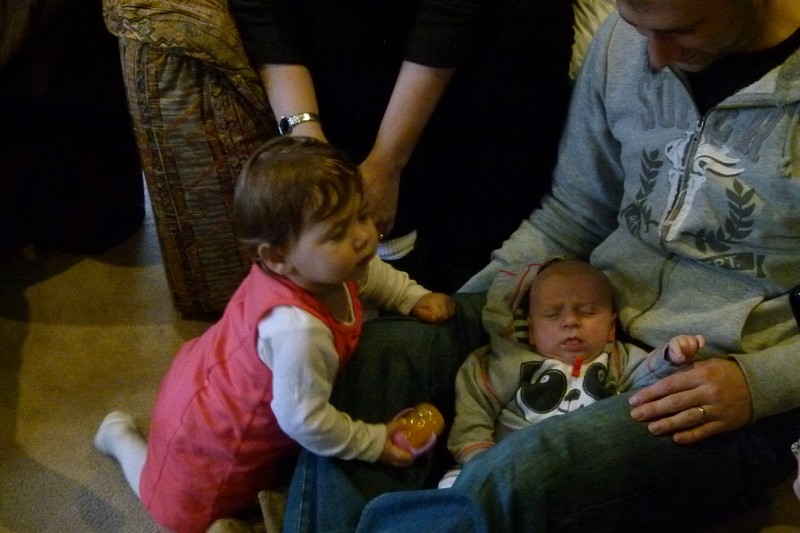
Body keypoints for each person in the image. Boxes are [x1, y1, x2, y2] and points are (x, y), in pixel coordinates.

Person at [280, 0, 800, 531]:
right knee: (380, 354)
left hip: (720, 379)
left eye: (681, 30)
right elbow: (575, 213)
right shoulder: (626, 43)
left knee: (517, 474)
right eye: (636, 27)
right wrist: (474, 307)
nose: (654, 58)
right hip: (588, 312)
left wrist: (760, 383)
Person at [92, 136, 458, 533]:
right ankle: (118, 437)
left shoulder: (327, 268)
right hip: (217, 438)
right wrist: (374, 441)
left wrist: (410, 297)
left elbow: (368, 274)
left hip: (219, 377)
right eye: (338, 232)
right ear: (277, 257)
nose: (363, 236)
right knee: (179, 514)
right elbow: (306, 421)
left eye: (362, 214)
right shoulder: (298, 330)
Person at [227, 0, 574, 292]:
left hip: (473, 52)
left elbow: (451, 12)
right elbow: (265, 20)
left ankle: (465, 262)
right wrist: (310, 147)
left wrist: (387, 161)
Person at [439, 258, 705, 488]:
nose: (570, 322)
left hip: (582, 465)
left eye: (587, 312)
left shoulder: (620, 360)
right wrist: (480, 460)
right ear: (531, 329)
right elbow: (473, 412)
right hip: (506, 461)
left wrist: (670, 357)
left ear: (611, 328)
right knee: (455, 484)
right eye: (552, 314)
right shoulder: (504, 364)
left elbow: (648, 379)